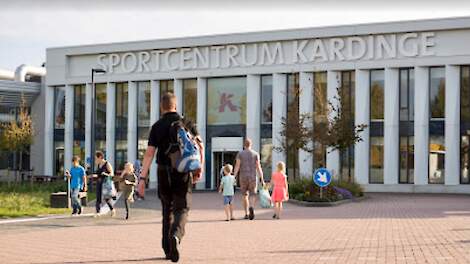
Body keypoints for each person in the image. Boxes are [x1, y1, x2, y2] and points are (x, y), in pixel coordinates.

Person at [140, 92, 204, 263]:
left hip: (162, 171)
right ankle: (176, 235)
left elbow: (149, 154)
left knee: (166, 209)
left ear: (162, 107)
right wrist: (199, 168)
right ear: (175, 106)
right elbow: (200, 145)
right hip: (182, 171)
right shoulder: (187, 123)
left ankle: (167, 249)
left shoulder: (157, 126)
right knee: (182, 208)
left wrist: (141, 179)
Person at [233, 138, 265, 220]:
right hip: (253, 177)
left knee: (244, 195)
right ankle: (251, 206)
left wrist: (234, 176)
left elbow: (237, 166)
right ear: (251, 145)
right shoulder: (255, 154)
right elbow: (258, 167)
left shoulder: (240, 154)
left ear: (244, 145)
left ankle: (246, 213)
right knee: (253, 194)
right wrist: (262, 178)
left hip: (243, 177)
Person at [94, 151, 116, 217]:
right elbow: (98, 175)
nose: (95, 160)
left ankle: (112, 210)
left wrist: (105, 174)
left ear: (100, 157)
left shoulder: (107, 164)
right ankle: (98, 212)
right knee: (98, 197)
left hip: (105, 184)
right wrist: (93, 176)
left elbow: (112, 174)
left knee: (106, 198)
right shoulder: (98, 165)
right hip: (99, 183)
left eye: (96, 158)